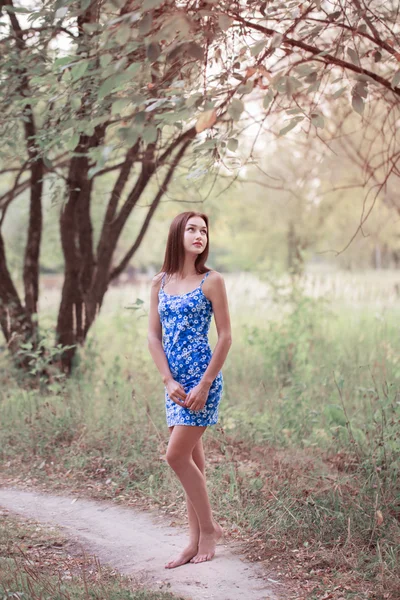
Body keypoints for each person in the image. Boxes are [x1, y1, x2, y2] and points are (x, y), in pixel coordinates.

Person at [147, 211, 232, 569]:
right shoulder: (159, 283)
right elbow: (153, 336)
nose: (200, 235)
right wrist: (167, 380)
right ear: (177, 235)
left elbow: (226, 337)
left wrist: (205, 383)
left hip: (202, 381)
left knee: (175, 457)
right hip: (175, 385)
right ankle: (193, 541)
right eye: (192, 229)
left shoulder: (212, 281)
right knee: (192, 463)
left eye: (204, 230)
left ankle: (209, 531)